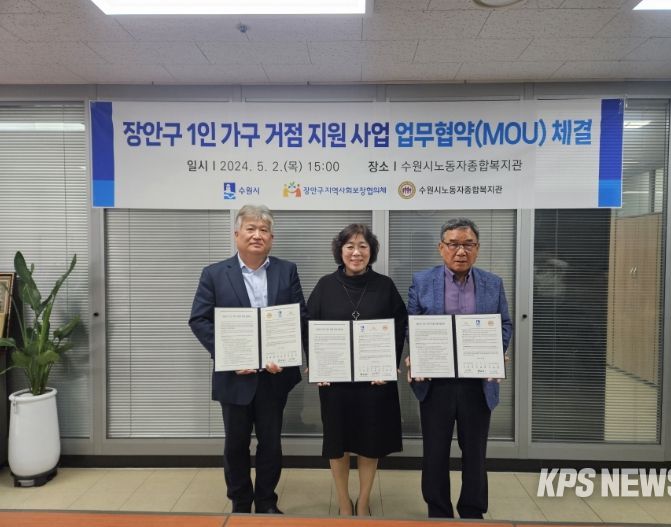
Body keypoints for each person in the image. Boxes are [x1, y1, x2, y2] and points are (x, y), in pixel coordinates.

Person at [189, 204, 307, 514]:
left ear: (271, 238)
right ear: (237, 234)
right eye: (250, 229)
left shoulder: (286, 270)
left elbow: (299, 317)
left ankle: (267, 502)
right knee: (235, 443)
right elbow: (199, 319)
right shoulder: (215, 274)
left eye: (263, 230)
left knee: (271, 443)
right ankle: (241, 503)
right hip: (234, 376)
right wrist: (228, 356)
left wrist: (289, 354)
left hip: (274, 375)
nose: (257, 235)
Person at [407, 218, 512, 520]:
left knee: (475, 452)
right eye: (453, 244)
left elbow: (504, 323)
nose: (461, 251)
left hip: (476, 382)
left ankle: (472, 511)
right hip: (436, 383)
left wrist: (495, 352)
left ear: (477, 248)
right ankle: (438, 512)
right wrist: (416, 355)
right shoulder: (422, 281)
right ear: (441, 248)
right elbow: (412, 326)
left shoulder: (493, 283)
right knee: (435, 452)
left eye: (468, 244)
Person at [306, 223, 407, 517]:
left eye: (363, 246)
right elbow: (309, 326)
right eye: (349, 246)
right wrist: (316, 364)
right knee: (337, 444)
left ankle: (363, 501)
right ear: (340, 251)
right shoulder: (325, 286)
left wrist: (388, 364)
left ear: (371, 252)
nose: (356, 252)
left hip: (374, 383)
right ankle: (343, 502)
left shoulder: (385, 286)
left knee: (370, 443)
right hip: (335, 383)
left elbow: (399, 326)